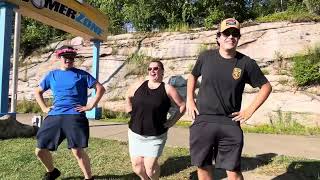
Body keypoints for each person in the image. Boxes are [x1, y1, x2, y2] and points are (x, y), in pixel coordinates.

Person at [187, 18, 272, 180]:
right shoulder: (205, 57)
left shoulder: (246, 63)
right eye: (226, 33)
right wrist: (190, 99)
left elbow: (266, 87)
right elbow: (193, 75)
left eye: (235, 34)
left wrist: (249, 111)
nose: (231, 37)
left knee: (233, 172)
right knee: (203, 168)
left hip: (229, 123)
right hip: (203, 120)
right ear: (218, 37)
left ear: (239, 38)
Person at [34, 45, 105, 180]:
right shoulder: (52, 75)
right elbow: (38, 91)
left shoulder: (81, 74)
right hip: (55, 114)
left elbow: (100, 88)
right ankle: (52, 171)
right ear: (60, 58)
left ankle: (88, 177)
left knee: (77, 150)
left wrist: (90, 106)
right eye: (66, 57)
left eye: (72, 57)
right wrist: (44, 108)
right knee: (40, 150)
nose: (69, 59)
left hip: (75, 115)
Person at [125, 60, 186, 180]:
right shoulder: (139, 85)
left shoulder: (168, 89)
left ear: (162, 71)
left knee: (150, 169)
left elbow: (182, 106)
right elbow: (128, 96)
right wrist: (130, 111)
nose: (152, 71)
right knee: (137, 168)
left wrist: (172, 122)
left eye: (156, 68)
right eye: (150, 69)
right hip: (135, 134)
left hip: (155, 136)